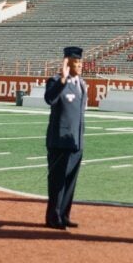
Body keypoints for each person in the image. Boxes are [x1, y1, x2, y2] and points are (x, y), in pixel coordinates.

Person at [44, 46, 87, 230]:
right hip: (59, 141)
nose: (79, 65)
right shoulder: (55, 81)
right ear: (66, 63)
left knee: (70, 180)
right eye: (75, 62)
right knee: (58, 181)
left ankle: (64, 214)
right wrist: (62, 79)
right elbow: (50, 99)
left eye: (80, 62)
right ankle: (53, 217)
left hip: (76, 141)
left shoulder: (82, 84)